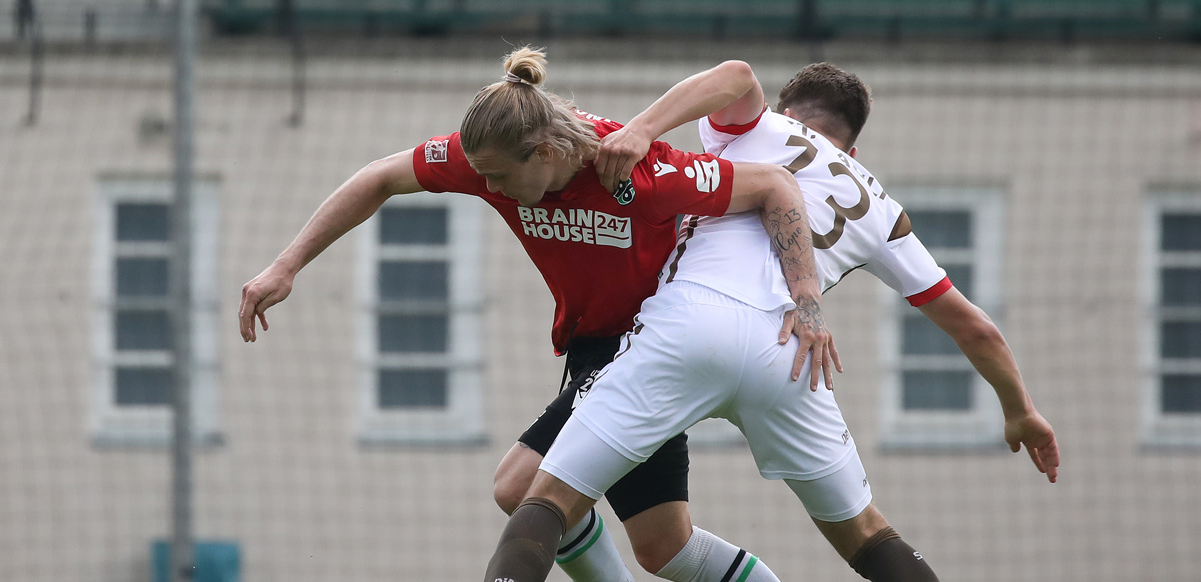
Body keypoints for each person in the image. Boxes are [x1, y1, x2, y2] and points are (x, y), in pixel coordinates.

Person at [238, 47, 839, 582]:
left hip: (651, 349)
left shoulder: (636, 171)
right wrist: (286, 265)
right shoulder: (489, 160)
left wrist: (805, 300)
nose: (488, 185)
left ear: (547, 152)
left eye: (499, 176)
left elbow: (760, 144)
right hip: (593, 349)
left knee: (519, 486)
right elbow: (379, 177)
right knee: (666, 548)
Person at [483, 61, 1061, 582]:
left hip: (689, 325)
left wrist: (642, 130)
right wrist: (1021, 410)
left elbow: (733, 73)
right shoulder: (880, 208)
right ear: (853, 153)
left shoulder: (754, 128)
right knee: (867, 536)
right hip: (792, 352)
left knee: (545, 500)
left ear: (787, 114)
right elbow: (974, 327)